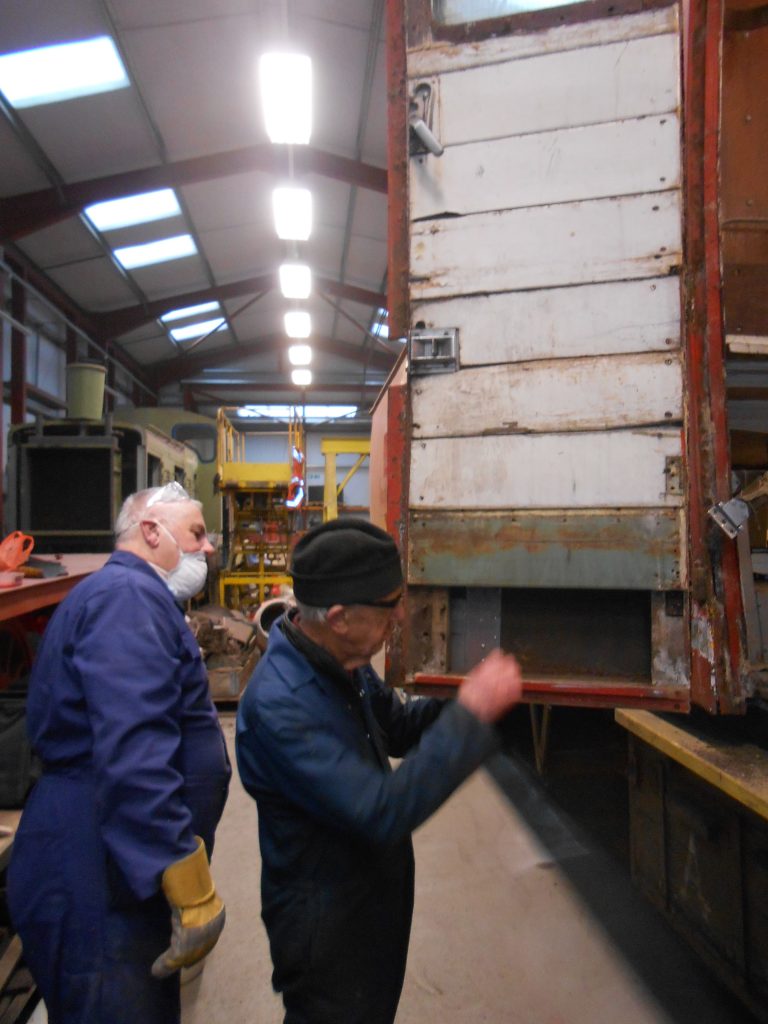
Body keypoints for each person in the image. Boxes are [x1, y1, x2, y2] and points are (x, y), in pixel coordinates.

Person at [236, 517, 523, 1024]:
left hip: (366, 912)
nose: (400, 620)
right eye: (390, 610)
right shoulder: (281, 705)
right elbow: (381, 811)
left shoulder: (339, 656)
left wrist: (465, 701)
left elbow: (399, 726)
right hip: (327, 938)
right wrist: (471, 717)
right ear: (341, 617)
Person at [8, 482, 231, 1024]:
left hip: (114, 852)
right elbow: (135, 754)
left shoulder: (135, 597)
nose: (207, 550)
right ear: (151, 531)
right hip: (97, 860)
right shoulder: (126, 599)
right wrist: (188, 882)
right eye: (197, 534)